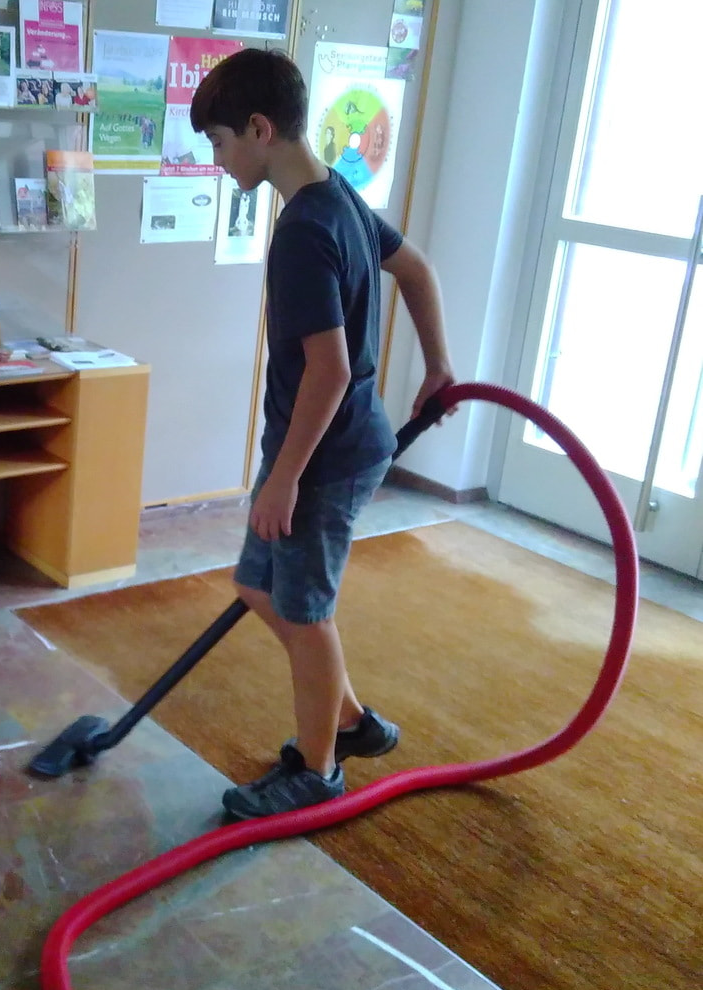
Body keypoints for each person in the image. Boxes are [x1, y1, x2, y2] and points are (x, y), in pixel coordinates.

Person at [189, 49, 455, 820]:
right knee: (257, 585)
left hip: (325, 454)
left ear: (260, 129)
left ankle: (318, 770)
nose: (218, 160)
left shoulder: (305, 231)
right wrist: (438, 365)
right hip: (322, 441)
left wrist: (285, 480)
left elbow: (330, 371)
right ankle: (352, 722)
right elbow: (419, 271)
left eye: (220, 142)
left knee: (305, 611)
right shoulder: (338, 196)